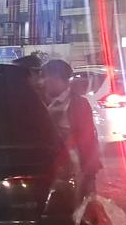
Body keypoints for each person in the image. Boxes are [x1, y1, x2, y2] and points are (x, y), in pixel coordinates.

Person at [42, 59, 102, 197]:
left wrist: (90, 172)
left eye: (47, 77)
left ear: (58, 78)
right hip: (46, 164)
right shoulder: (41, 100)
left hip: (70, 166)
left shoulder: (79, 104)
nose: (43, 82)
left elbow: (88, 139)